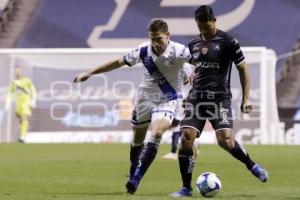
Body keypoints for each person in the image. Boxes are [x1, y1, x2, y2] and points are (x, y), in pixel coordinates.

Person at [74, 19, 191, 195]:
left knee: (157, 133)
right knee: (137, 140)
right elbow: (117, 62)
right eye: (152, 39)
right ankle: (132, 171)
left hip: (168, 99)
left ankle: (136, 178)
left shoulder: (180, 51)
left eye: (159, 39)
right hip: (144, 99)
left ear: (168, 36)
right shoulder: (143, 50)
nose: (155, 43)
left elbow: (203, 63)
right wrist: (89, 73)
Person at [170, 5, 269, 197]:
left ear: (214, 21)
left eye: (207, 27)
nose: (204, 31)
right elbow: (190, 73)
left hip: (219, 101)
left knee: (225, 141)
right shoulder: (193, 45)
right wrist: (185, 94)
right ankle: (186, 188)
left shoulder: (229, 42)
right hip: (197, 101)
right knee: (185, 139)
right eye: (200, 28)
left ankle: (252, 165)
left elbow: (243, 69)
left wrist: (246, 97)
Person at [162, 64, 200, 160]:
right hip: (191, 97)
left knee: (176, 123)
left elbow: (183, 80)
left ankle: (174, 151)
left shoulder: (183, 65)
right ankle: (190, 144)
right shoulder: (196, 66)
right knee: (180, 124)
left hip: (183, 97)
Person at [5, 66, 37, 142]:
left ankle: (23, 136)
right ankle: (23, 135)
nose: (17, 72)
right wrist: (7, 104)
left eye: (18, 71)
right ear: (13, 72)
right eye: (16, 71)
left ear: (21, 71)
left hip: (26, 100)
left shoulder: (26, 80)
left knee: (24, 117)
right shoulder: (13, 83)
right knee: (21, 119)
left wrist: (33, 99)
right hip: (18, 102)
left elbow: (33, 89)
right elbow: (10, 94)